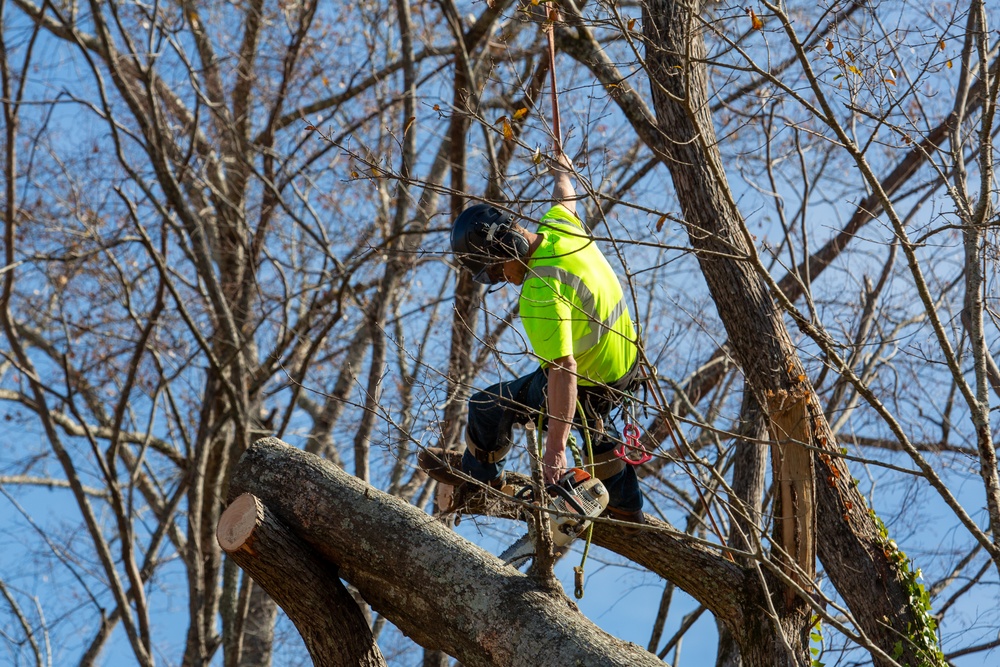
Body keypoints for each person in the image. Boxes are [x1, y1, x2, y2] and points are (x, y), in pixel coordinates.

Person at [421, 154, 644, 528]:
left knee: (488, 405)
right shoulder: (560, 230)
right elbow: (564, 198)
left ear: (505, 246)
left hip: (590, 380)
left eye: (494, 270)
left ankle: (482, 480)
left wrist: (555, 450)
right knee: (592, 423)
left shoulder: (540, 291)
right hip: (626, 363)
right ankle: (627, 505)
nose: (502, 280)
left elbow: (563, 370)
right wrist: (562, 170)